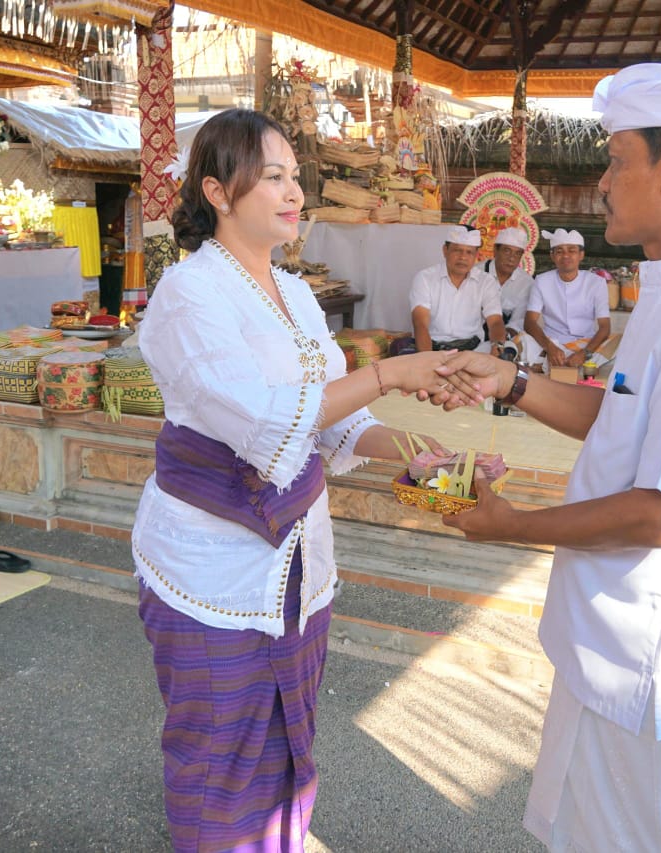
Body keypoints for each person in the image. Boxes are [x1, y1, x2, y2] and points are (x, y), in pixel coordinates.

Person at [431, 63, 661, 851]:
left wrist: (508, 525)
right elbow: (628, 415)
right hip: (615, 635)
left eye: (616, 158)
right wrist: (513, 380)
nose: (601, 183)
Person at [132, 108, 453, 851]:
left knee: (288, 740)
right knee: (218, 754)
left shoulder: (297, 293)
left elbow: (328, 423)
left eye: (295, 178)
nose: (294, 193)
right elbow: (267, 418)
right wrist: (392, 370)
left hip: (298, 562)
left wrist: (412, 448)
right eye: (272, 176)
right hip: (211, 569)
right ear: (216, 190)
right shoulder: (188, 295)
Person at [523, 228, 620, 369]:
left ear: (581, 255)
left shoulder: (596, 282)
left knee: (620, 342)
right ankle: (565, 363)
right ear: (552, 256)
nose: (565, 256)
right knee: (519, 341)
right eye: (559, 251)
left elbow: (605, 327)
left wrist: (585, 353)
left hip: (586, 343)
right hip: (552, 343)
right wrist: (549, 347)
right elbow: (529, 322)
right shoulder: (542, 281)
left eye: (572, 250)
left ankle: (548, 364)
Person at [409, 225, 506, 355]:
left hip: (474, 350)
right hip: (433, 347)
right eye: (457, 250)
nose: (463, 257)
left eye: (469, 252)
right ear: (445, 250)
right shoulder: (425, 278)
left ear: (476, 255)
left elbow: (495, 321)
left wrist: (497, 346)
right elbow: (420, 322)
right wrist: (428, 359)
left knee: (509, 350)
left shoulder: (486, 282)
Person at [476, 226, 535, 358]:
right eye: (507, 251)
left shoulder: (526, 283)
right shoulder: (476, 274)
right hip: (475, 337)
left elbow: (520, 320)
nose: (511, 258)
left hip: (506, 338)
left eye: (517, 253)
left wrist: (502, 337)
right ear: (495, 251)